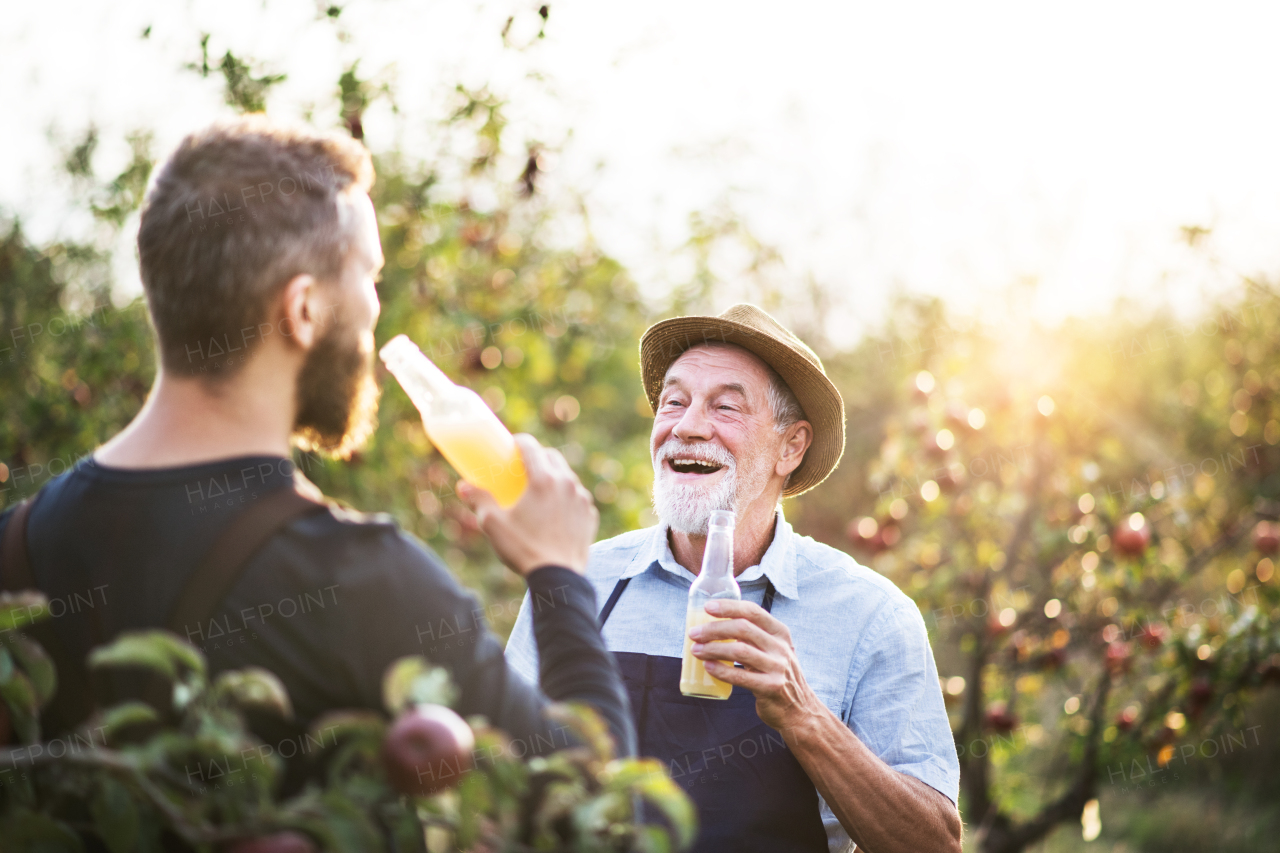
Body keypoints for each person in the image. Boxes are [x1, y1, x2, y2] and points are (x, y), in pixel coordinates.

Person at [0, 117, 634, 788]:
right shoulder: (362, 579)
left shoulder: (11, 545)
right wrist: (560, 575)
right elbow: (601, 812)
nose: (374, 312)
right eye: (369, 277)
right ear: (302, 310)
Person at [505, 304, 963, 853]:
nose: (688, 426)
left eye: (725, 407)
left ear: (790, 446)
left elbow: (934, 844)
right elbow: (494, 778)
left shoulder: (870, 615)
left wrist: (803, 715)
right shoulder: (576, 580)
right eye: (674, 402)